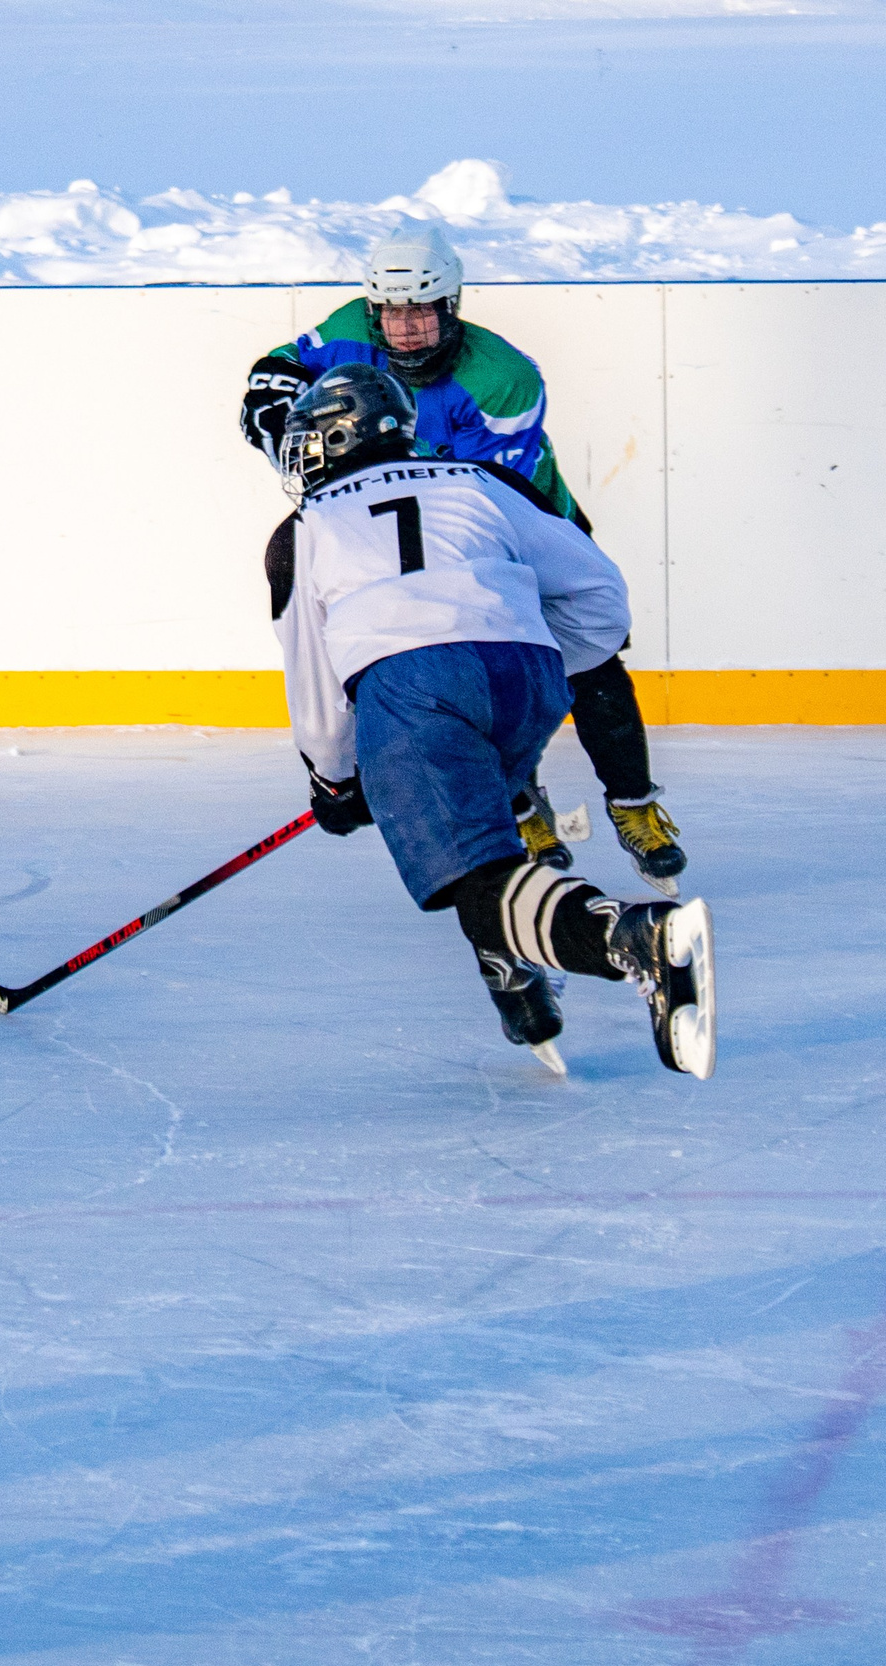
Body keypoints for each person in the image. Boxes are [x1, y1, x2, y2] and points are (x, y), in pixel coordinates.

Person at [266, 363, 715, 1079]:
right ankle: (518, 983)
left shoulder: (306, 527)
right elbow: (601, 596)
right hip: (525, 675)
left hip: (410, 687)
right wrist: (530, 657)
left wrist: (335, 781)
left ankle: (632, 936)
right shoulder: (481, 481)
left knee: (476, 883)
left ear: (339, 436)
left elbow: (317, 696)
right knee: (483, 838)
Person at [240, 220, 689, 896]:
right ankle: (518, 801)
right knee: (472, 660)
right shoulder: (345, 329)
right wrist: (278, 424)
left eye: (421, 310)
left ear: (451, 306)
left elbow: (488, 499)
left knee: (592, 664)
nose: (407, 328)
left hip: (522, 523)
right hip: (428, 533)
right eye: (393, 312)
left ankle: (633, 804)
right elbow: (273, 374)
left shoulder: (501, 378)